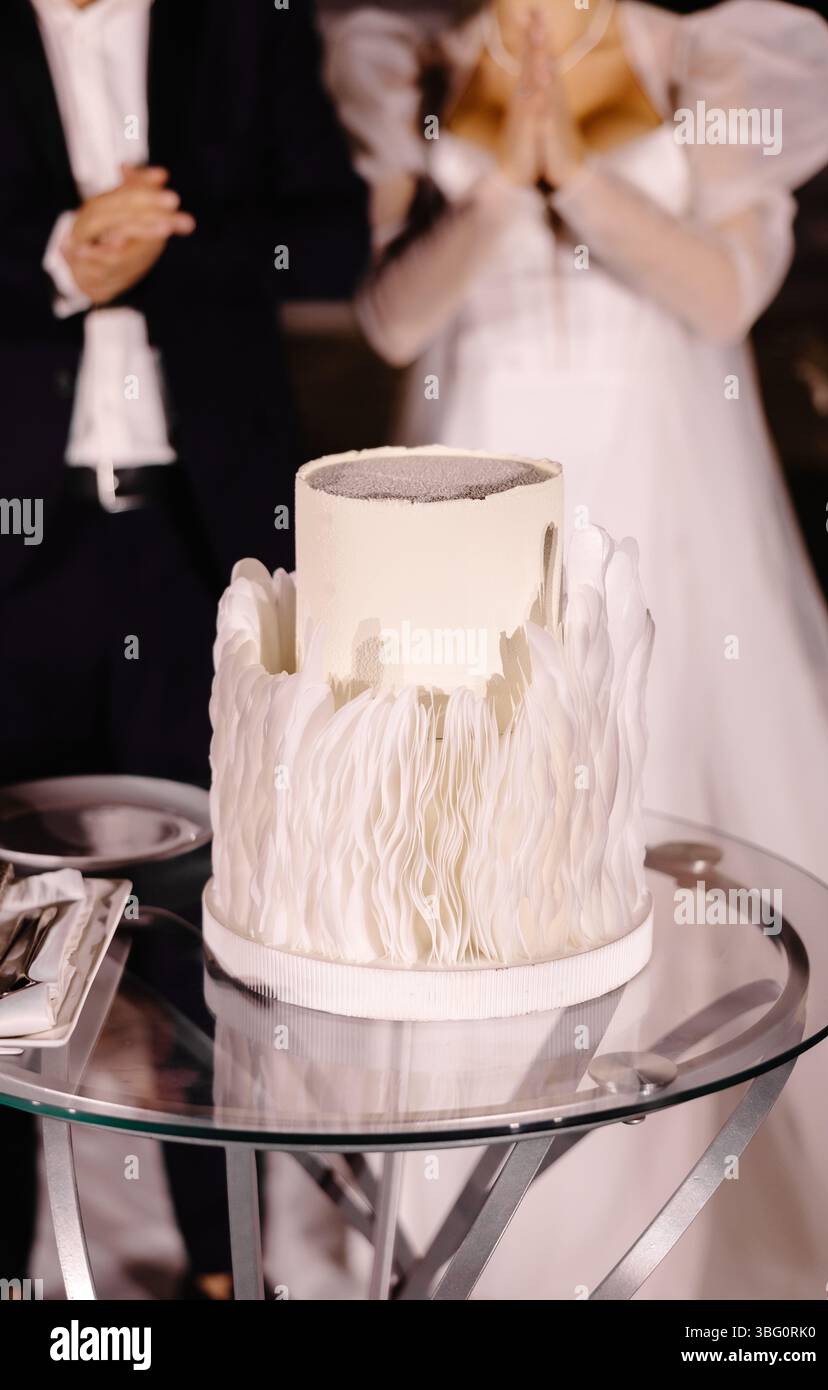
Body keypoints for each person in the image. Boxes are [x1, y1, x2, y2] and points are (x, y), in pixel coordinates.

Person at [325, 0, 828, 1297]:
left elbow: (726, 290)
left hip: (652, 506)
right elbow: (391, 321)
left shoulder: (707, 59)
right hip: (464, 514)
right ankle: (459, 1226)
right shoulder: (412, 63)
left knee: (652, 865)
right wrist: (502, 182)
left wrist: (577, 169)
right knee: (460, 856)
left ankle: (644, 1246)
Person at [0, 0, 368, 1296]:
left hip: (203, 549)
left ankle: (231, 1273)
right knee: (2, 939)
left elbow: (333, 237)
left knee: (219, 943)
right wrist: (56, 260)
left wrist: (157, 247)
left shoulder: (244, 23)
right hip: (15, 554)